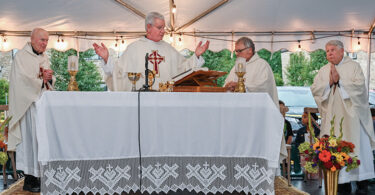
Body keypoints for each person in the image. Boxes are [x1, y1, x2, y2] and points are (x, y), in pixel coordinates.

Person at [311, 40, 375, 194]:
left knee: (357, 147)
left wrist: (340, 81)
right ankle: (340, 183)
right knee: (335, 147)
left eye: (332, 50)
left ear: (342, 51)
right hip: (333, 118)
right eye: (327, 51)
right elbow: (315, 89)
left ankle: (362, 184)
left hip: (353, 119)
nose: (329, 53)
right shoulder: (323, 70)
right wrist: (329, 83)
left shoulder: (354, 67)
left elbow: (360, 88)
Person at [93, 12, 209, 91]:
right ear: (148, 27)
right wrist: (107, 58)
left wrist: (196, 56)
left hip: (165, 103)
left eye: (164, 28)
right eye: (159, 28)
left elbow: (184, 69)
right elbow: (119, 73)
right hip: (141, 103)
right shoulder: (134, 48)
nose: (163, 31)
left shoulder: (169, 49)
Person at [8, 28, 54, 193]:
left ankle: (41, 177)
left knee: (41, 141)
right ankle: (29, 179)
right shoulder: (21, 57)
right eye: (42, 40)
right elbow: (21, 82)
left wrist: (49, 78)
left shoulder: (44, 57)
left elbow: (48, 81)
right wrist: (41, 81)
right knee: (31, 143)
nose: (45, 43)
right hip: (28, 108)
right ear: (32, 39)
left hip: (41, 108)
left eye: (47, 41)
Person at [224, 37, 279, 107]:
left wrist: (241, 86)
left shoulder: (262, 65)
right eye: (236, 51)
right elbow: (227, 85)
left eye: (239, 51)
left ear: (250, 50)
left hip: (257, 109)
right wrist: (228, 87)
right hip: (238, 108)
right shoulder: (236, 67)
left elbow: (263, 87)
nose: (236, 54)